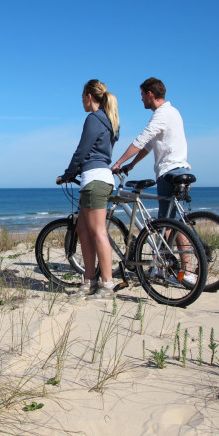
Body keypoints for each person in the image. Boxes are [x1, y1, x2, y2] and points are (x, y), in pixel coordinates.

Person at [111, 76, 195, 283]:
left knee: (167, 225)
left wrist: (118, 162)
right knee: (174, 222)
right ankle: (167, 269)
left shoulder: (161, 114)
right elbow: (149, 146)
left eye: (142, 95)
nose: (141, 100)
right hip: (178, 169)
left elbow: (141, 140)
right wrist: (131, 165)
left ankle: (187, 272)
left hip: (169, 172)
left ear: (150, 94)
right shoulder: (173, 112)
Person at [57, 79, 119, 300]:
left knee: (98, 232)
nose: (81, 101)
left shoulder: (94, 119)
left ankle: (107, 285)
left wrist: (67, 174)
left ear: (89, 97)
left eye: (82, 97)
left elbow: (82, 151)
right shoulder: (109, 119)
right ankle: (89, 280)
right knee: (83, 230)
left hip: (95, 179)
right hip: (93, 179)